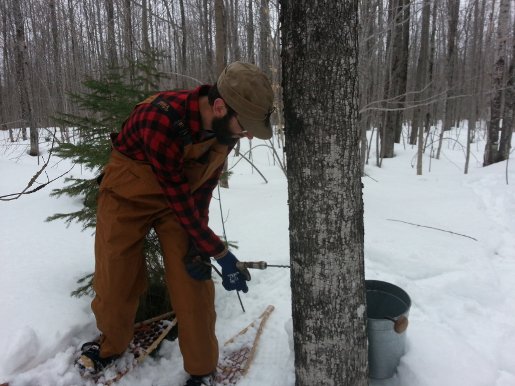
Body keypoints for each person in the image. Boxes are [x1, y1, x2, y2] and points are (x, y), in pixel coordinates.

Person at [76, 62, 275, 386]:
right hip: (126, 198)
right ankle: (111, 346)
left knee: (192, 283)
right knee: (116, 280)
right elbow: (178, 194)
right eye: (246, 125)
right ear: (220, 106)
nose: (248, 134)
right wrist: (221, 254)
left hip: (177, 204)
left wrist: (199, 247)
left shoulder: (227, 129)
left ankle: (202, 369)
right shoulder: (160, 118)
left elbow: (202, 189)